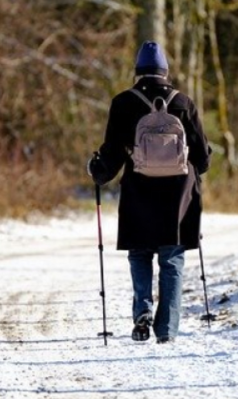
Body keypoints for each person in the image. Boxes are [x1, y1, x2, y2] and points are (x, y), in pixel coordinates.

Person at [87, 41, 211, 344]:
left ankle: (142, 311)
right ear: (165, 72)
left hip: (139, 190)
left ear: (137, 72)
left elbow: (112, 155)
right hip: (178, 194)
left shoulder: (123, 103)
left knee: (140, 252)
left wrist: (97, 171)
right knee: (171, 258)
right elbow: (203, 158)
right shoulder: (184, 103)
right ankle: (167, 329)